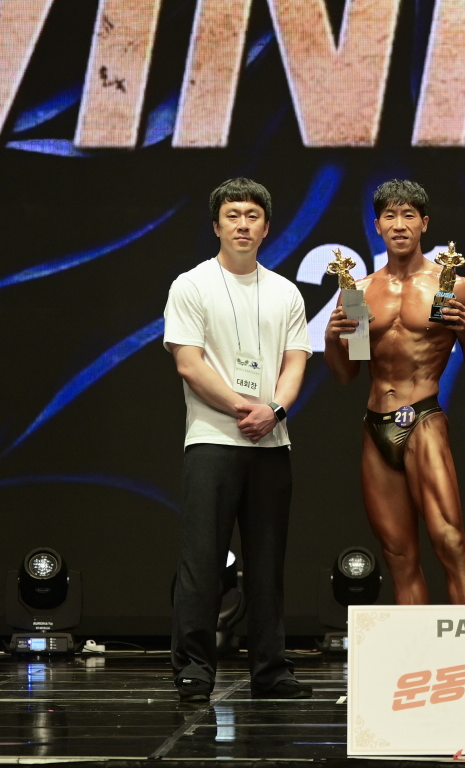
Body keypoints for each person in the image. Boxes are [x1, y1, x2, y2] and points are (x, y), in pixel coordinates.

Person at [163, 177, 313, 703]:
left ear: (267, 228)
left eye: (252, 216)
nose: (242, 225)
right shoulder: (192, 285)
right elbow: (188, 363)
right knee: (203, 561)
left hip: (272, 443)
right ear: (216, 225)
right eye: (233, 215)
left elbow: (296, 362)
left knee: (267, 563)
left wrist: (274, 410)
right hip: (212, 439)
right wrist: (241, 408)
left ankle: (270, 669)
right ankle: (194, 668)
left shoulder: (286, 292)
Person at [325, 180, 465, 604]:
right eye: (390, 216)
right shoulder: (358, 292)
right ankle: (416, 645)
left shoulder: (452, 286)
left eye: (408, 216)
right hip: (375, 425)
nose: (399, 225)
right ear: (377, 226)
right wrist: (331, 339)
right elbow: (348, 373)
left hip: (422, 418)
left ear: (424, 224)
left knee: (450, 541)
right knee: (398, 554)